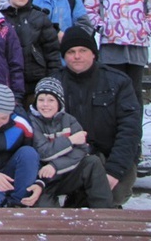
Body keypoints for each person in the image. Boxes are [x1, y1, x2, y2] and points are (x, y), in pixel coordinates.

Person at [53, 26, 142, 207]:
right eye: (71, 51)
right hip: (72, 160)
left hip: (113, 157)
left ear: (93, 53)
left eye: (83, 50)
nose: (77, 56)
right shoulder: (54, 84)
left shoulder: (119, 82)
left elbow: (130, 130)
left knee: (109, 195)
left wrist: (114, 171)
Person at [84, 0, 151, 109]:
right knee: (112, 90)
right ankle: (113, 133)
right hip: (112, 45)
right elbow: (89, 8)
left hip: (137, 44)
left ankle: (134, 132)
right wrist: (102, 27)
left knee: (134, 90)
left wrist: (145, 26)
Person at [27, 77, 113, 209]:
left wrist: (55, 166)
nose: (45, 104)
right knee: (45, 210)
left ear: (59, 102)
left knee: (93, 162)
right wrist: (71, 140)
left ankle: (104, 211)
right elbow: (43, 152)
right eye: (41, 100)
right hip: (44, 179)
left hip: (66, 173)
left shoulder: (69, 120)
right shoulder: (32, 122)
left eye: (51, 100)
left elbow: (81, 150)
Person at [1, 0, 61, 106]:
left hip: (36, 80)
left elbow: (52, 53)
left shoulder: (40, 17)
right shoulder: (0, 19)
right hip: (8, 81)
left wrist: (52, 81)